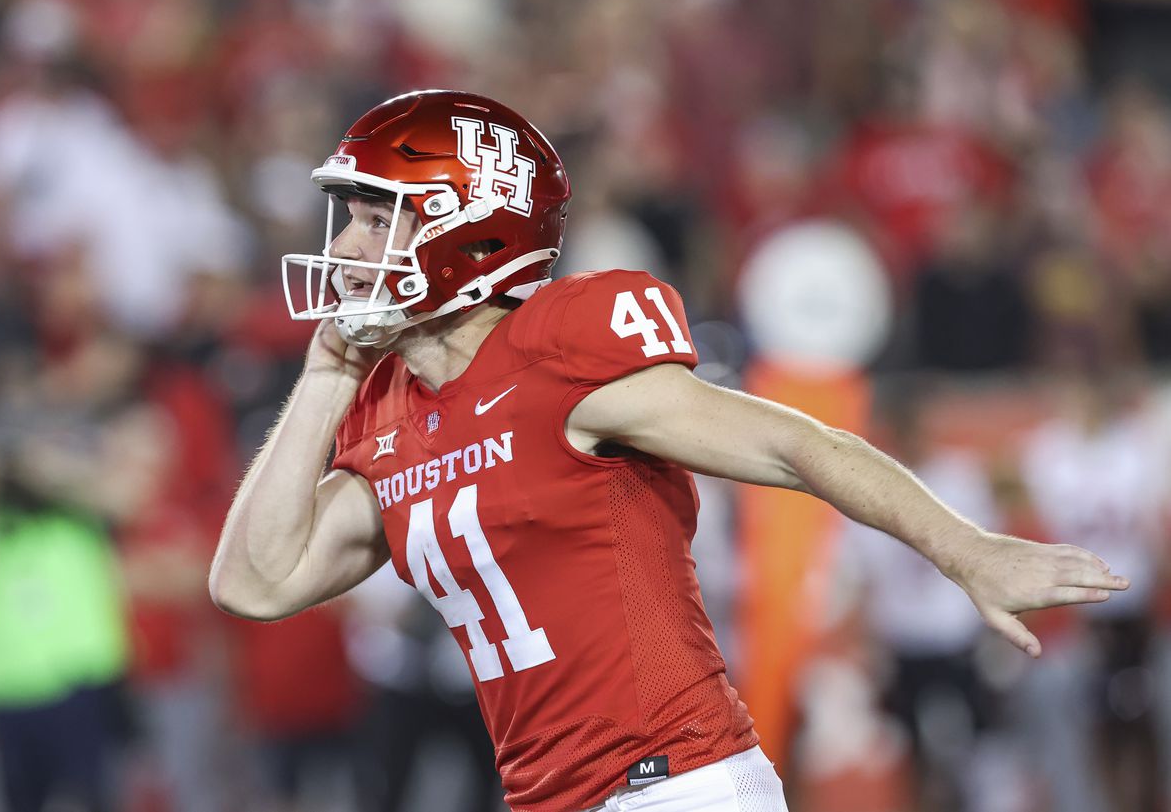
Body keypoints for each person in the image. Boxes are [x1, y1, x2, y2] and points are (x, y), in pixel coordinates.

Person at [209, 89, 1129, 812]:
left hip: (673, 784)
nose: (351, 249)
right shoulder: (386, 408)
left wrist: (966, 550)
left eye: (380, 218)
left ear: (469, 226)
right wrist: (328, 375)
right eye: (352, 220)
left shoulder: (561, 349)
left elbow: (795, 442)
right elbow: (257, 581)